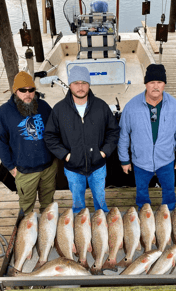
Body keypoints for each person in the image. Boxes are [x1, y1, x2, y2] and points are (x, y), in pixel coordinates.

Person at [44, 66, 119, 213]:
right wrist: (66, 155)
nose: (80, 87)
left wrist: (103, 153)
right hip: (73, 168)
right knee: (77, 204)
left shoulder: (101, 106)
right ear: (70, 85)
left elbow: (114, 132)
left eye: (84, 82)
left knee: (100, 200)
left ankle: (102, 221)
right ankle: (80, 226)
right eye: (76, 82)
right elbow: (50, 136)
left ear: (89, 84)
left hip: (97, 166)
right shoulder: (59, 110)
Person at [118, 64, 176, 211]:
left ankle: (169, 214)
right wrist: (124, 160)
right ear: (146, 84)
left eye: (159, 82)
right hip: (141, 161)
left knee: (169, 191)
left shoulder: (174, 105)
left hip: (166, 159)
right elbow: (123, 135)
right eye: (152, 82)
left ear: (164, 84)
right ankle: (144, 212)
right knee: (141, 192)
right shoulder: (131, 107)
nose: (156, 86)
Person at [0, 71, 57, 214]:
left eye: (31, 90)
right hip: (24, 171)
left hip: (48, 169)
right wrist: (10, 167)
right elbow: (0, 142)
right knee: (26, 209)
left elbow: (55, 131)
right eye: (23, 90)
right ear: (15, 91)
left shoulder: (44, 106)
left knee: (48, 207)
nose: (27, 94)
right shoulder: (4, 112)